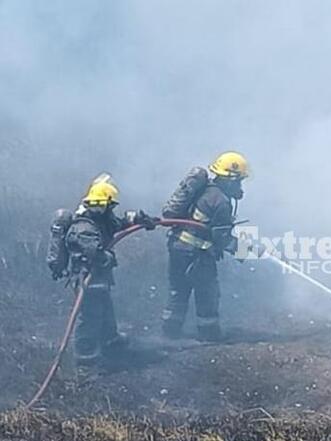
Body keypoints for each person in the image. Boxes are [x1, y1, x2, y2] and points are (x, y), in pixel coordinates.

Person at [64, 173, 158, 367]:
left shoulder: (99, 219)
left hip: (98, 279)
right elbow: (97, 255)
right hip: (87, 279)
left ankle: (110, 341)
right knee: (90, 317)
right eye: (111, 205)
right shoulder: (84, 228)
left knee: (105, 310)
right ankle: (86, 359)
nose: (112, 209)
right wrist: (108, 258)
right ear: (103, 205)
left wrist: (139, 219)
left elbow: (118, 223)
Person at [161, 152, 249, 341]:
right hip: (197, 255)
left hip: (177, 248)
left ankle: (170, 333)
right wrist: (245, 250)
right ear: (230, 180)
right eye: (239, 181)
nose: (240, 186)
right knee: (207, 293)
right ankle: (209, 336)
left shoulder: (207, 190)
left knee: (179, 291)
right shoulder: (221, 202)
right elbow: (221, 238)